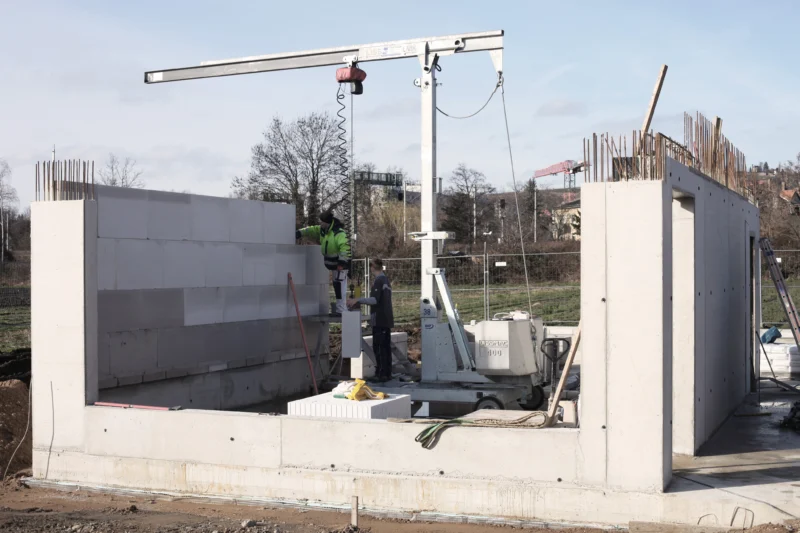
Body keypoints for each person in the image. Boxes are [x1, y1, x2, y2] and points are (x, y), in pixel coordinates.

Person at [347, 258, 394, 382]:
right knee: (385, 347)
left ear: (372, 267)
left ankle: (382, 374)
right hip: (385, 319)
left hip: (380, 319)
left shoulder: (379, 281)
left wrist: (358, 300)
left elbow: (374, 300)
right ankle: (386, 373)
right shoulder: (386, 280)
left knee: (379, 347)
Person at [297, 210, 351, 315]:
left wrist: (342, 262)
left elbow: (345, 247)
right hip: (332, 264)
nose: (320, 224)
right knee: (336, 285)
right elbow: (311, 230)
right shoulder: (323, 230)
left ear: (327, 223)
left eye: (322, 222)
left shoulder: (338, 233)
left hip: (340, 264)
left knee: (340, 285)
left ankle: (341, 309)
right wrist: (300, 232)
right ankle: (340, 308)